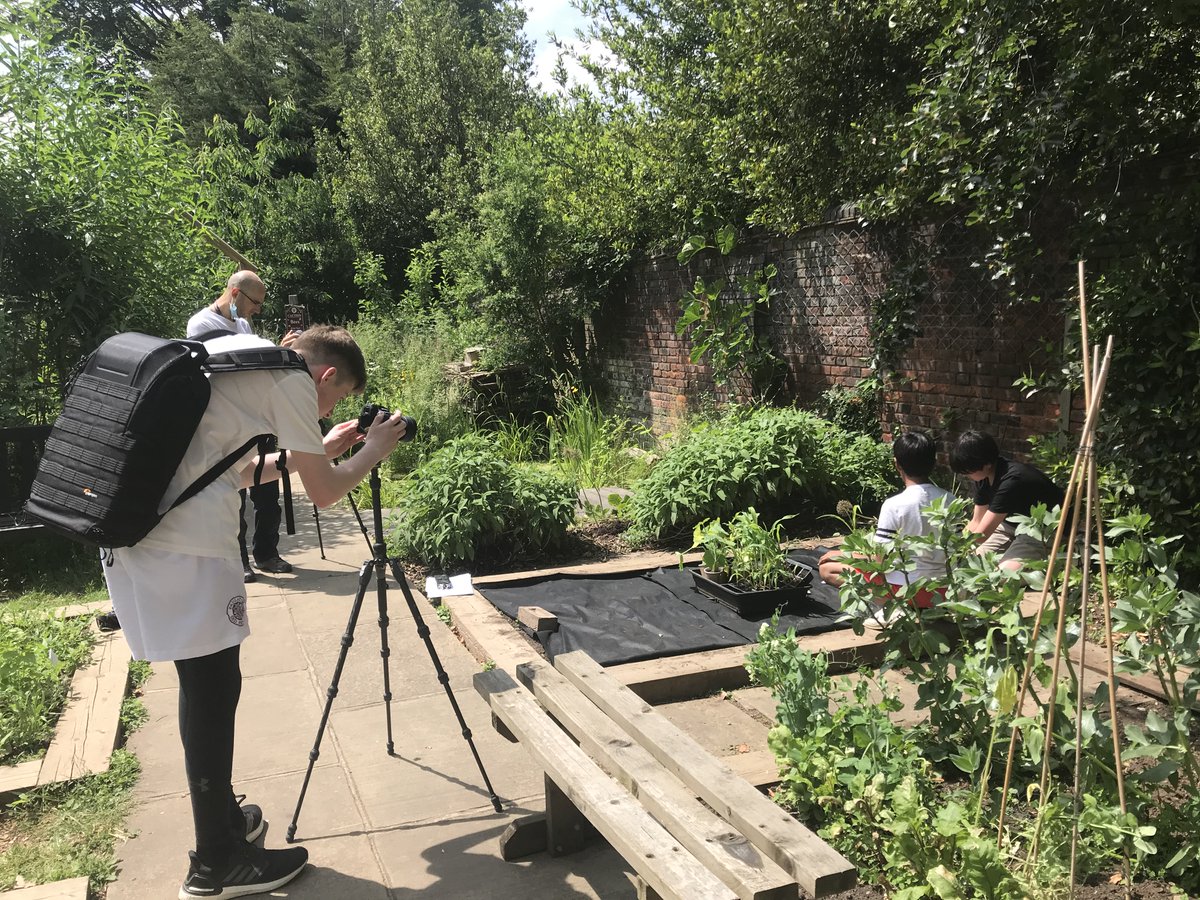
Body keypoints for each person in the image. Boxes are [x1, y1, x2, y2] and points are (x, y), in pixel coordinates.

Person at [102, 325, 408, 898]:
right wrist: (372, 449)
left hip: (141, 542)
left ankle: (220, 825)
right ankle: (216, 862)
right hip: (186, 552)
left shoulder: (228, 358)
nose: (328, 409)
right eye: (334, 400)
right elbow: (326, 494)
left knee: (206, 688)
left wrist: (318, 450)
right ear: (326, 376)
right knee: (213, 693)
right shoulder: (292, 381)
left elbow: (232, 473)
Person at [187, 270, 292, 582]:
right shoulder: (201, 324)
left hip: (256, 417)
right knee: (236, 493)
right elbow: (229, 364)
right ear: (235, 293)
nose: (257, 310)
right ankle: (240, 558)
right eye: (255, 302)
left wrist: (278, 348)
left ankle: (267, 553)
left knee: (268, 489)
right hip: (227, 422)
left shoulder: (243, 324)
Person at [819, 430, 954, 609]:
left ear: (897, 464)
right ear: (934, 463)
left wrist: (847, 555)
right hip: (945, 592)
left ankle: (889, 606)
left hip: (904, 592)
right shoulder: (950, 499)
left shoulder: (894, 505)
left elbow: (879, 561)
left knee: (827, 569)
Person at [950, 429, 1065, 571]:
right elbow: (976, 521)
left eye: (968, 470)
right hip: (1008, 527)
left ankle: (1059, 562)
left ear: (986, 463)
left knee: (1001, 576)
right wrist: (955, 551)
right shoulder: (983, 477)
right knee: (967, 567)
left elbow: (982, 534)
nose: (965, 474)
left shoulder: (1011, 481)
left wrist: (949, 545)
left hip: (1040, 531)